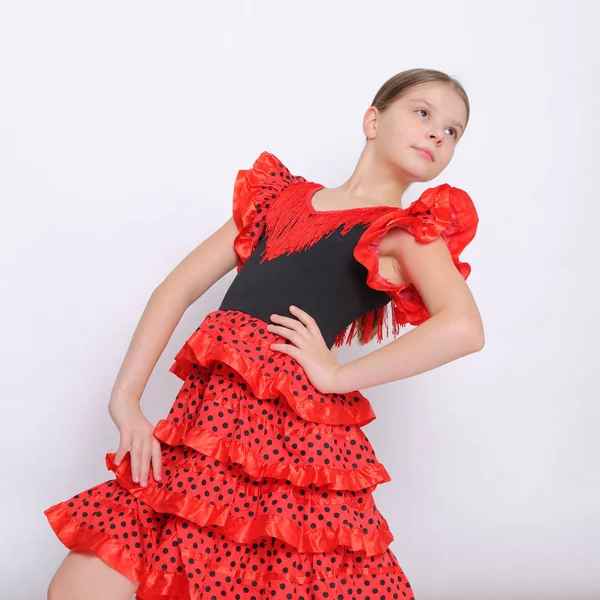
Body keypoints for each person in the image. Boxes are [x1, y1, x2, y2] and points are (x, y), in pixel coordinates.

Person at [44, 67, 484, 600]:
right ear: (373, 120)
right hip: (205, 431)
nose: (439, 132)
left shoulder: (405, 232)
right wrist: (126, 399)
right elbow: (176, 288)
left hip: (295, 449)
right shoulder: (278, 198)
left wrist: (338, 374)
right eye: (423, 113)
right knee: (81, 585)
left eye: (453, 131)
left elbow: (462, 328)